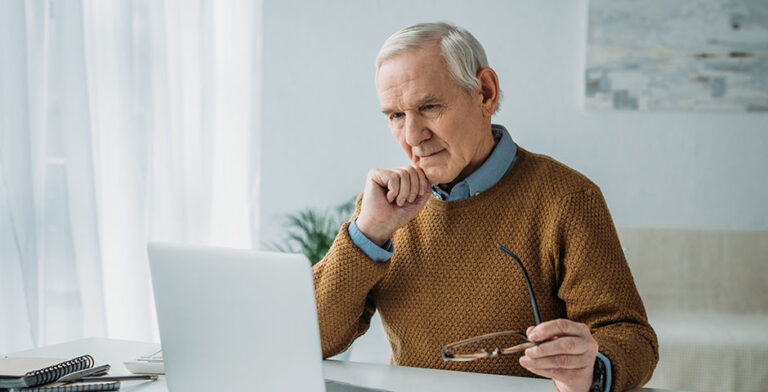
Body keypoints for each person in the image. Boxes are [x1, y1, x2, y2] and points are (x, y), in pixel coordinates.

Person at [312, 22, 658, 392]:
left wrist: (593, 368)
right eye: (396, 116)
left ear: (486, 94)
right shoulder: (381, 210)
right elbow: (312, 339)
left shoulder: (569, 199)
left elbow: (632, 337)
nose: (412, 136)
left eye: (428, 106)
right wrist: (368, 234)